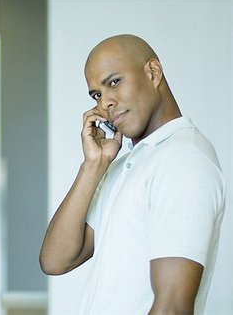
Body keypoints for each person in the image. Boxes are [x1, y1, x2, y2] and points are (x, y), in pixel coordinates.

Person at [39, 34, 226, 314]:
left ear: (153, 72)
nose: (106, 103)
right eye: (96, 95)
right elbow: (55, 261)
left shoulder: (183, 161)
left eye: (113, 82)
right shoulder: (126, 164)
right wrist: (94, 165)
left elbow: (172, 307)